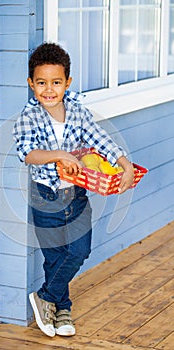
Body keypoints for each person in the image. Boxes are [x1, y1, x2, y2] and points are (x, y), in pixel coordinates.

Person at [13, 42, 134, 338]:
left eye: (56, 82)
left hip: (77, 196)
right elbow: (27, 152)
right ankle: (62, 307)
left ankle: (45, 297)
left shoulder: (78, 112)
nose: (49, 89)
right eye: (41, 83)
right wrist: (58, 155)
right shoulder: (28, 118)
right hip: (46, 197)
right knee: (55, 256)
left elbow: (100, 138)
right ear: (31, 83)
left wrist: (124, 163)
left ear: (68, 82)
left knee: (78, 251)